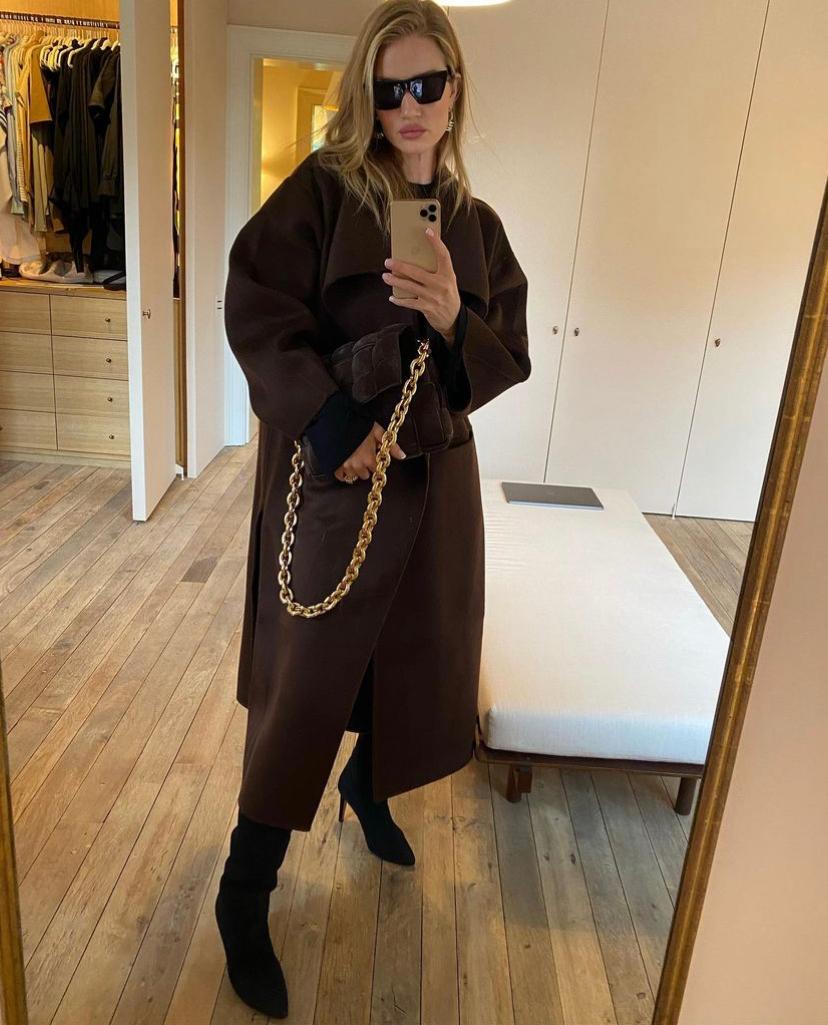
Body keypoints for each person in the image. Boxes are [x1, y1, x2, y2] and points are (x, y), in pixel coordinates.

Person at [216, 0, 531, 1017]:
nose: (408, 107)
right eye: (389, 89)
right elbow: (256, 309)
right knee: (306, 682)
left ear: (454, 90)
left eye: (426, 85)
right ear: (368, 93)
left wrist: (455, 318)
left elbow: (505, 357)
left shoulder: (476, 223)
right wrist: (328, 421)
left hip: (433, 487)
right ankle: (244, 887)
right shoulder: (322, 192)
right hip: (334, 480)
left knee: (414, 656)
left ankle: (370, 783)